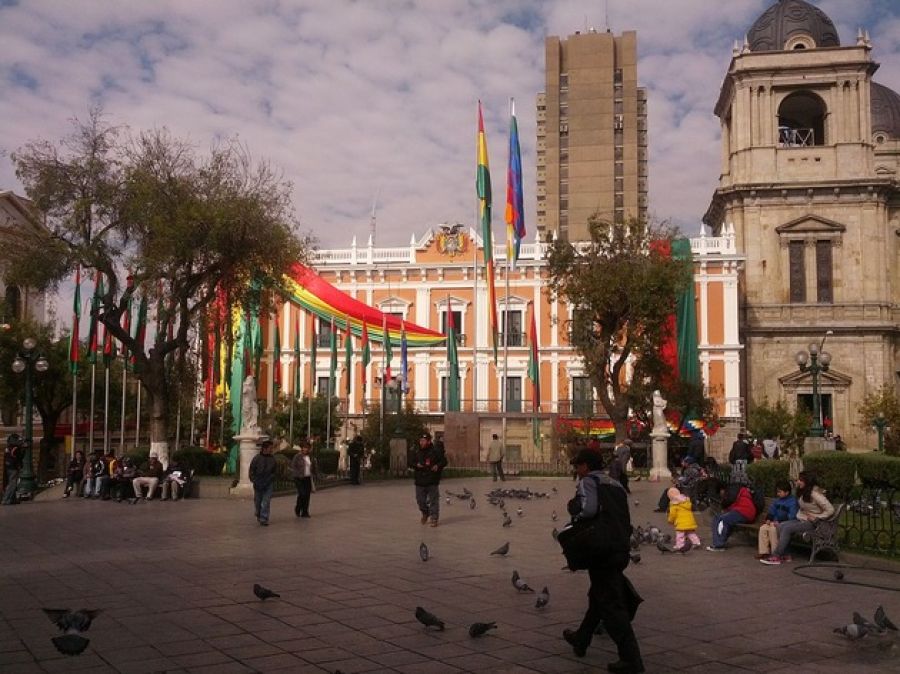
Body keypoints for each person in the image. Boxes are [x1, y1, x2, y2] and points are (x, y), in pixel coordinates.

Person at [563, 449, 644, 672]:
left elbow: (588, 510)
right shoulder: (615, 484)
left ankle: (631, 659)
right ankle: (581, 638)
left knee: (611, 605)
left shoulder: (589, 481)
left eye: (578, 466)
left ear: (586, 466)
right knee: (598, 596)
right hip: (620, 546)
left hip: (601, 549)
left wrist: (573, 508)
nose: (577, 470)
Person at [761, 471, 834, 565]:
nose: (798, 482)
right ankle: (786, 554)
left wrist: (816, 517)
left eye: (800, 480)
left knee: (787, 528)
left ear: (807, 481)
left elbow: (830, 510)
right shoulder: (803, 492)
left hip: (815, 523)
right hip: (802, 519)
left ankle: (776, 556)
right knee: (781, 526)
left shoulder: (815, 494)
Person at [707, 482, 757, 551]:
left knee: (720, 519)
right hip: (746, 512)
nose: (721, 496)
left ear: (722, 490)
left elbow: (728, 501)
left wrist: (723, 506)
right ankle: (720, 542)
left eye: (720, 493)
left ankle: (718, 544)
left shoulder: (731, 491)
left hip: (743, 511)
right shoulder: (739, 490)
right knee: (722, 518)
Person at [757, 480, 799, 560]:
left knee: (773, 530)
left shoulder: (793, 501)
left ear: (787, 492)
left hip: (784, 523)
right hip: (773, 522)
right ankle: (764, 552)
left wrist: (779, 521)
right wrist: (768, 519)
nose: (778, 494)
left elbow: (792, 516)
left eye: (780, 492)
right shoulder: (777, 500)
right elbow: (771, 511)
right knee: (763, 528)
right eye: (777, 492)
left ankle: (775, 553)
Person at [413, 432, 447, 527]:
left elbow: (444, 461)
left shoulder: (435, 451)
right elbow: (411, 461)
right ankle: (425, 512)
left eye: (423, 441)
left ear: (428, 441)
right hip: (420, 480)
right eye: (420, 440)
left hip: (432, 480)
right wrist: (416, 465)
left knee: (433, 500)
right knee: (420, 501)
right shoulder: (416, 451)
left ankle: (434, 518)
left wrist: (437, 466)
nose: (421, 442)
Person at [249, 438, 277, 526]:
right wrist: (254, 480)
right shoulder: (257, 458)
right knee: (258, 501)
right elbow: (251, 470)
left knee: (266, 501)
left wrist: (271, 478)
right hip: (258, 482)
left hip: (268, 483)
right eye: (270, 448)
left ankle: (264, 518)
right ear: (264, 448)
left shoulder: (272, 459)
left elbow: (274, 471)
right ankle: (258, 513)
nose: (271, 450)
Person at [667, 486, 701, 552]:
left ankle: (680, 545)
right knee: (690, 533)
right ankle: (697, 542)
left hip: (681, 523)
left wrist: (670, 520)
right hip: (690, 522)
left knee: (680, 535)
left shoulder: (674, 504)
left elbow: (672, 515)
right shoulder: (686, 501)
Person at [290, 442, 317, 518]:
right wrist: (297, 474)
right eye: (305, 447)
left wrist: (315, 474)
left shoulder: (311, 457)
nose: (306, 449)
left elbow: (314, 467)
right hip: (299, 478)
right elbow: (293, 466)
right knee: (302, 494)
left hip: (307, 477)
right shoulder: (297, 456)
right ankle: (298, 508)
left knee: (307, 495)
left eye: (307, 448)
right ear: (302, 448)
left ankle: (305, 511)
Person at [2, 434, 25, 505]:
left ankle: (12, 499)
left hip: (8, 466)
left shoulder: (8, 448)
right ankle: (6, 500)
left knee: (12, 483)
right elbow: (19, 457)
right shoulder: (15, 448)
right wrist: (23, 449)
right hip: (13, 467)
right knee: (12, 484)